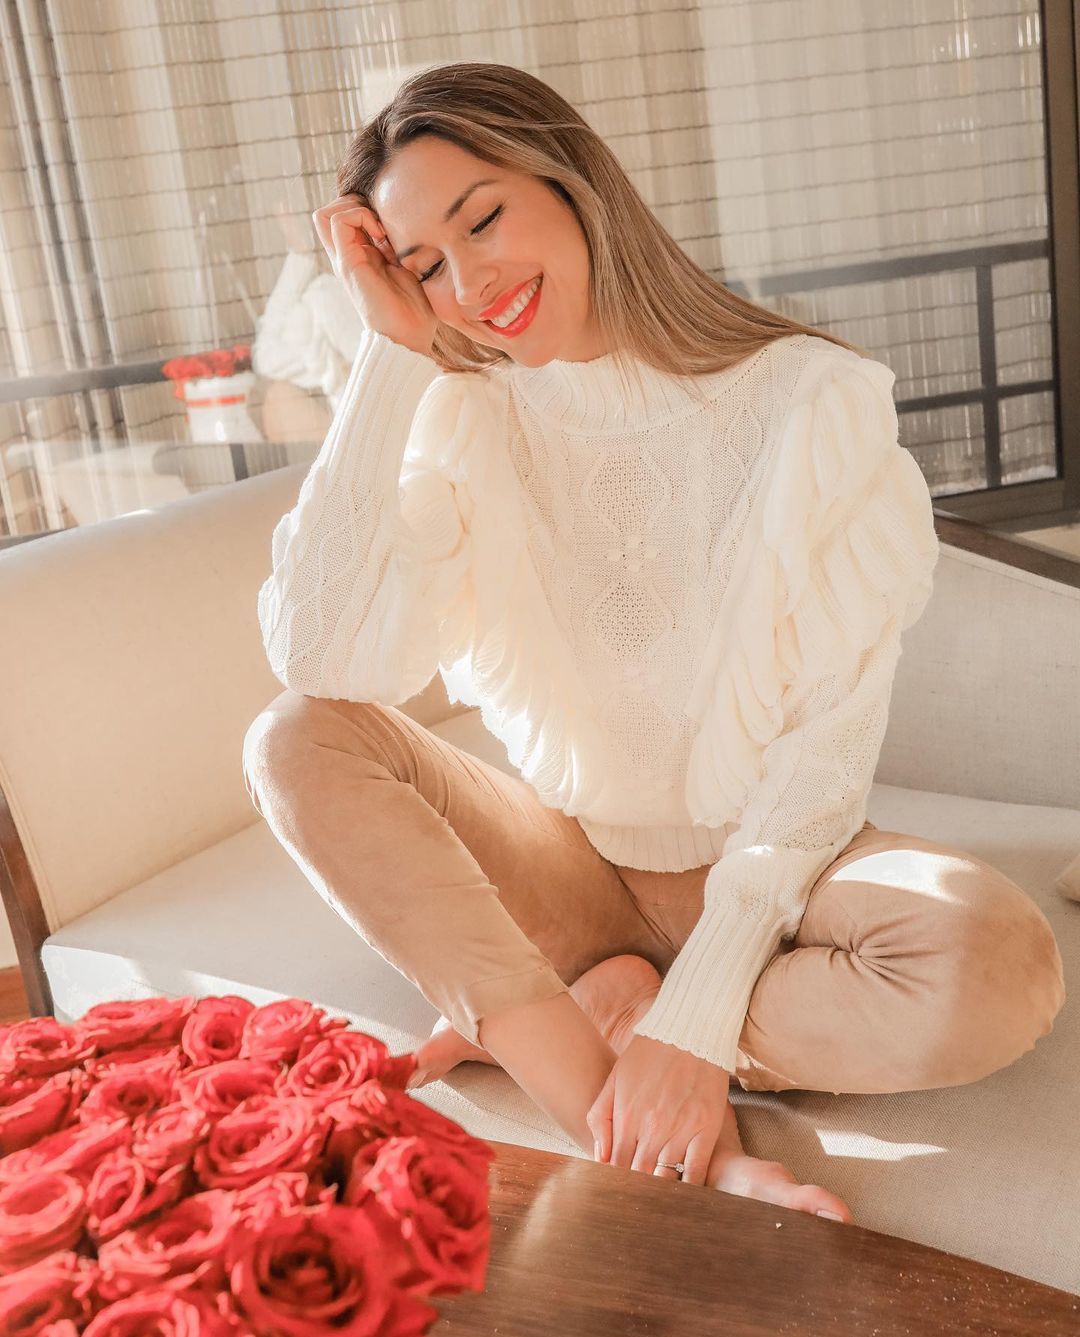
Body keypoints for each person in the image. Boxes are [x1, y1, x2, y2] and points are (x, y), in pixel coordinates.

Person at [243, 62, 1065, 1223]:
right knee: (294, 738)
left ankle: (600, 1013)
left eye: (483, 220)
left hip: (786, 866)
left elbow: (824, 752)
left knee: (996, 965)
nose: (470, 284)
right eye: (424, 266)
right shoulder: (461, 414)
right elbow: (321, 660)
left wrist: (693, 1020)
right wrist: (391, 357)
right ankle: (643, 1124)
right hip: (570, 872)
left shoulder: (809, 404)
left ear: (571, 180)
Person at [251, 199, 366, 439]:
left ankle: (301, 254)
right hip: (351, 351)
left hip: (326, 312)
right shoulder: (345, 404)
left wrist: (300, 252)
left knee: (266, 357)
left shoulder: (272, 360)